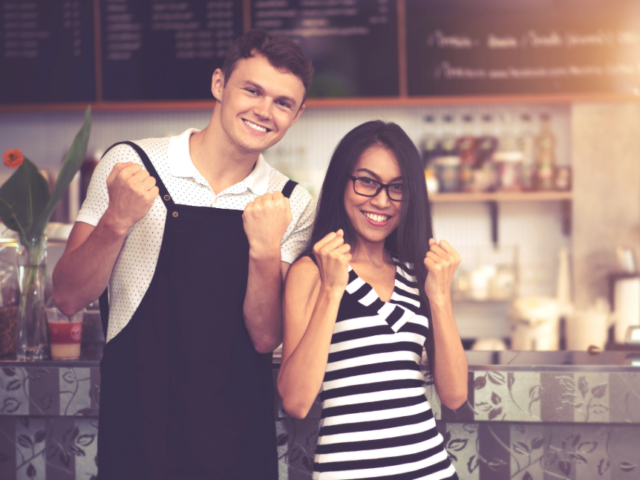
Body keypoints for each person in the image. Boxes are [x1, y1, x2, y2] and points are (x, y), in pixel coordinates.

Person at [53, 29, 315, 480]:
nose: (264, 111)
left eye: (282, 103)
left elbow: (265, 337)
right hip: (137, 431)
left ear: (297, 114)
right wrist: (117, 219)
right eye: (251, 90)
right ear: (219, 84)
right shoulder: (129, 163)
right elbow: (68, 296)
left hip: (238, 440)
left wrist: (266, 249)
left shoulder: (291, 201)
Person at [277, 121, 468, 479]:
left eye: (397, 188)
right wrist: (333, 289)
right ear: (341, 182)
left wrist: (440, 296)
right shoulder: (312, 271)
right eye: (367, 181)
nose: (382, 201)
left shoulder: (414, 272)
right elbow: (296, 401)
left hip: (430, 470)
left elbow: (455, 395)